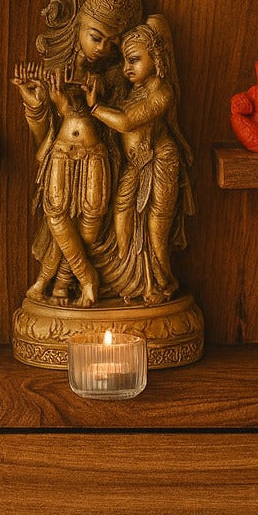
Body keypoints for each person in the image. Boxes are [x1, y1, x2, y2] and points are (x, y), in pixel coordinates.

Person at [12, 0, 143, 306]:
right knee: (56, 214)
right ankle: (84, 279)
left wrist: (97, 100)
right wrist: (39, 104)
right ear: (79, 24)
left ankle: (59, 283)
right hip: (61, 153)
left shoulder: (116, 75)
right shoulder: (55, 70)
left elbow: (122, 123)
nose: (103, 48)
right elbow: (44, 134)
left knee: (90, 220)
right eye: (96, 37)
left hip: (97, 153)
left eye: (112, 44)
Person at [86, 15, 195, 306]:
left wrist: (95, 108)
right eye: (125, 61)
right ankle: (127, 278)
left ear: (155, 57)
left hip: (160, 160)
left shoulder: (162, 92)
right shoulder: (132, 89)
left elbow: (126, 122)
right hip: (136, 162)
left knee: (156, 228)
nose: (127, 68)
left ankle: (160, 282)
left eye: (134, 60)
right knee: (121, 214)